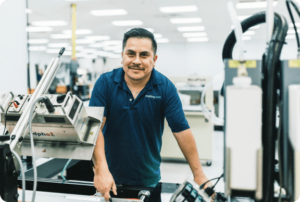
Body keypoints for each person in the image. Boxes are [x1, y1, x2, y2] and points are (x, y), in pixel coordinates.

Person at [89, 28, 211, 201]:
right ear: (122, 55)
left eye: (144, 55)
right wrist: (101, 168)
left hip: (148, 180)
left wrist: (198, 173)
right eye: (131, 54)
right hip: (110, 178)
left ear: (154, 59)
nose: (136, 61)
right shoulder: (106, 83)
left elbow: (181, 130)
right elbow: (95, 128)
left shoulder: (165, 87)